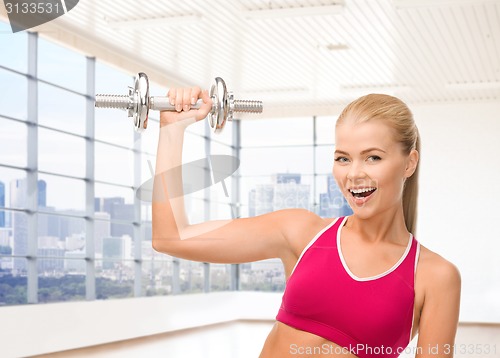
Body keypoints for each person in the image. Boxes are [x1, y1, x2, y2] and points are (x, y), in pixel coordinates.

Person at [152, 86, 461, 357]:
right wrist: (171, 129)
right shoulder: (301, 232)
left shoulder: (435, 277)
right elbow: (170, 237)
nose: (354, 174)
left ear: (409, 163)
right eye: (343, 158)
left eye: (373, 157)